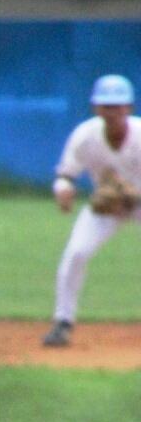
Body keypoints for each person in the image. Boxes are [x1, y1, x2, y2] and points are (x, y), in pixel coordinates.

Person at [42, 74, 141, 348]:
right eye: (106, 106)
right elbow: (66, 174)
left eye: (118, 106)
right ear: (97, 108)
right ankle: (63, 323)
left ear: (129, 108)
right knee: (76, 253)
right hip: (105, 206)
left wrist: (133, 196)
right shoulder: (85, 136)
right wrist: (62, 191)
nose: (112, 111)